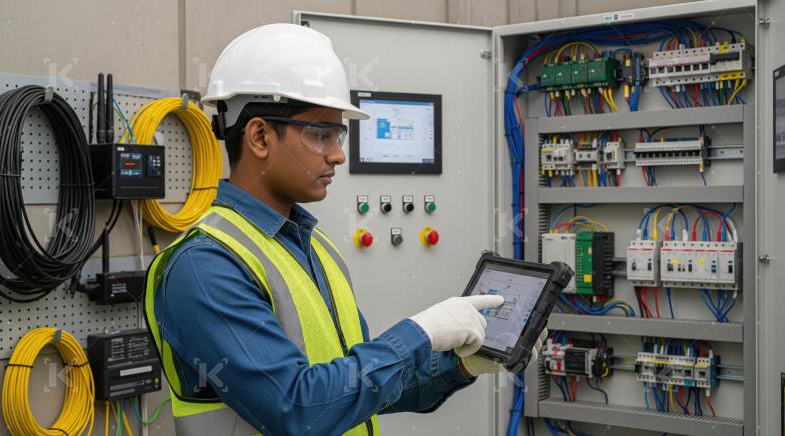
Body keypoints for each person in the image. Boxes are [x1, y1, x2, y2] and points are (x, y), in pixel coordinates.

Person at [144, 23, 545, 436]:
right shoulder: (205, 267)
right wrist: (418, 333)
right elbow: (298, 409)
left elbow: (358, 391)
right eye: (321, 135)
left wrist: (459, 364)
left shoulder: (314, 246)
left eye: (339, 134)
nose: (338, 154)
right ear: (260, 136)